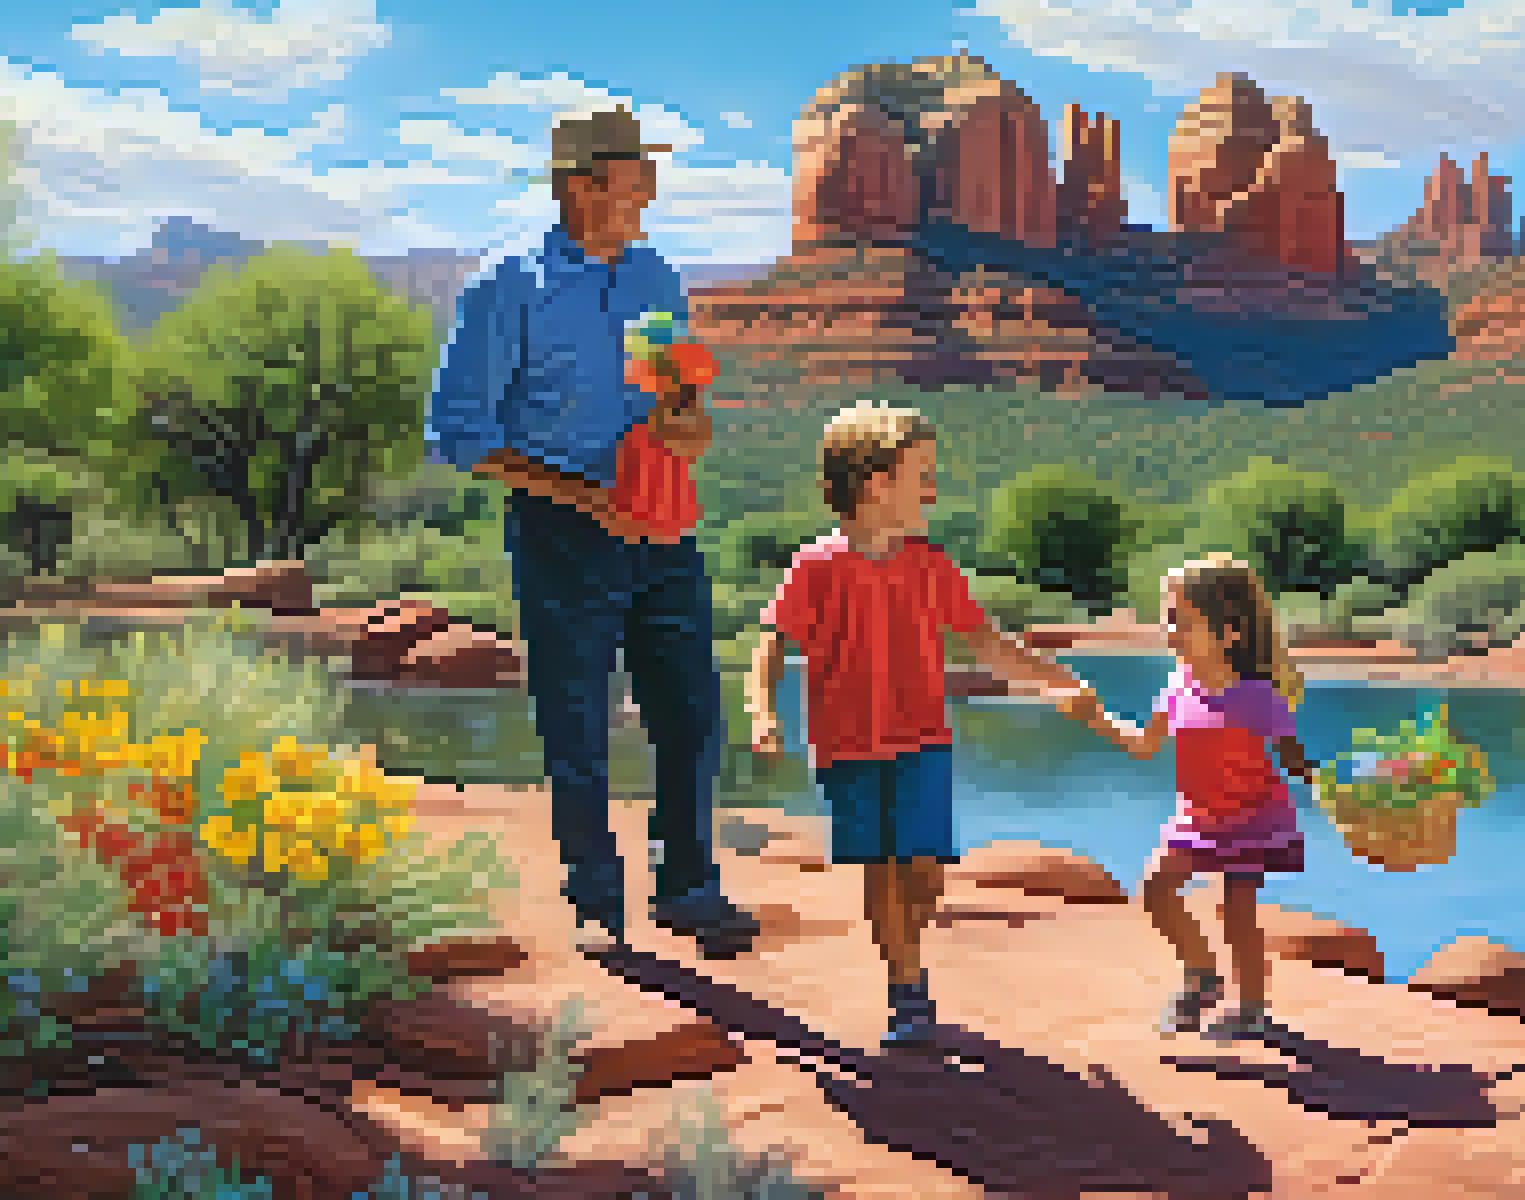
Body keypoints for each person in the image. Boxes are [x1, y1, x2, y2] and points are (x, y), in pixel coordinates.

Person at [426, 106, 759, 960]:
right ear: (583, 185)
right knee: (577, 719)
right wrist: (582, 498)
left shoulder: (656, 278)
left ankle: (689, 888)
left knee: (690, 713)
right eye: (635, 176)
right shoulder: (507, 287)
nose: (649, 191)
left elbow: (672, 394)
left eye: (650, 175)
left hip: (663, 519)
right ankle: (596, 903)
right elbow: (460, 434)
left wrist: (686, 424)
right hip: (562, 527)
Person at [745, 406, 1097, 1048]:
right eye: (924, 476)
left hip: (923, 741)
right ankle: (907, 991)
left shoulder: (930, 564)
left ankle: (907, 958)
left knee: (926, 872)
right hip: (847, 747)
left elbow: (984, 641)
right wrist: (763, 712)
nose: (934, 489)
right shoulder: (816, 565)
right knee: (880, 868)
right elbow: (772, 641)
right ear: (876, 482)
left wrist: (1056, 678)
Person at [1060, 554, 1315, 1041]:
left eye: (1180, 620)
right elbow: (1143, 745)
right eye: (1167, 617)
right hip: (1195, 818)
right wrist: (1094, 717)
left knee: (1237, 909)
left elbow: (1296, 762)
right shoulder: (1177, 687)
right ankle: (1202, 973)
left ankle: (1252, 1009)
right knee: (1155, 890)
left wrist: (1345, 792)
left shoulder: (1260, 697)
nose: (1168, 629)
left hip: (1252, 817)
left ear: (1229, 634)